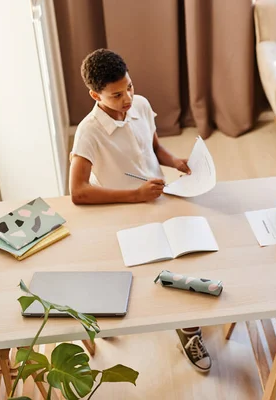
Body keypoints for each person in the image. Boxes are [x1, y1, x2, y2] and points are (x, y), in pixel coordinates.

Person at [69, 48, 211, 372]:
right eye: (117, 95)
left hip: (158, 198)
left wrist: (175, 161)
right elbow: (78, 192)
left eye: (129, 87)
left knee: (194, 253)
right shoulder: (89, 132)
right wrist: (135, 195)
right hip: (124, 209)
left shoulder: (141, 105)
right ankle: (165, 320)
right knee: (149, 270)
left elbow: (154, 147)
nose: (128, 98)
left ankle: (188, 327)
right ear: (95, 95)